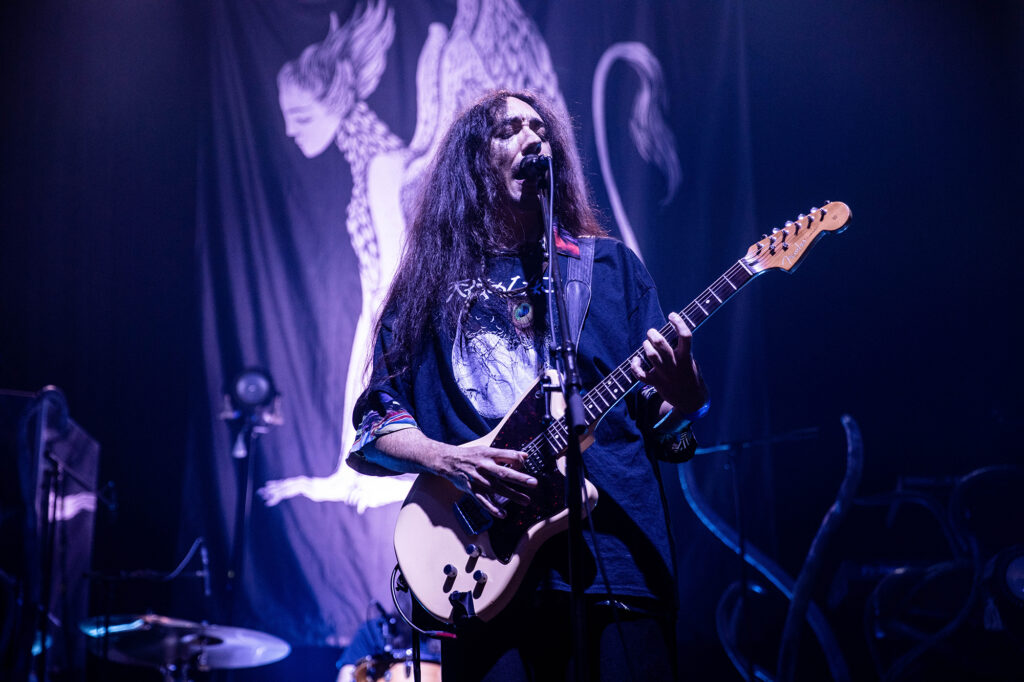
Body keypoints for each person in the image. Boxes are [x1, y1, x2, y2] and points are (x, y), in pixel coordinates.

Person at [347, 89, 708, 681]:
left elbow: (667, 431)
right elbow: (376, 418)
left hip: (616, 561)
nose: (533, 136)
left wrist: (688, 394)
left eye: (541, 128)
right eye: (510, 128)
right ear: (474, 161)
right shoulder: (428, 285)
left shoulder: (611, 270)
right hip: (480, 571)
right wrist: (450, 460)